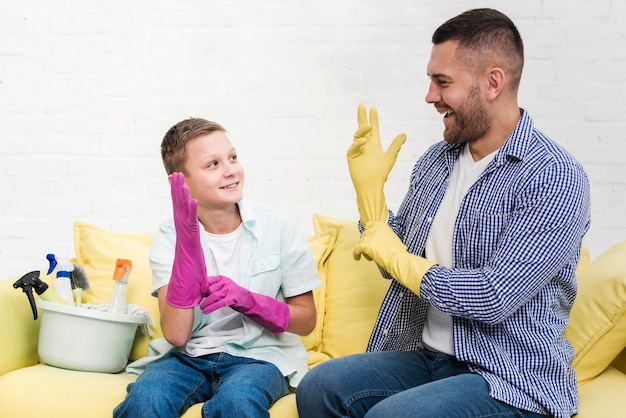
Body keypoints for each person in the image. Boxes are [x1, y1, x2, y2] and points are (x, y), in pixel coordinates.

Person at [296, 8, 590, 418]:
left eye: (442, 82)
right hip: (428, 358)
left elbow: (493, 295)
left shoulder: (553, 175)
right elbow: (391, 258)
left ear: (493, 82)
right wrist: (370, 198)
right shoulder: (437, 161)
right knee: (319, 387)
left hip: (509, 374)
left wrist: (399, 260)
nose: (430, 96)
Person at [113, 117, 321, 418]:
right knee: (146, 402)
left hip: (260, 358)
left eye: (232, 157)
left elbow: (306, 321)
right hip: (187, 357)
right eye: (213, 164)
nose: (231, 170)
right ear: (179, 181)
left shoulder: (279, 225)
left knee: (236, 404)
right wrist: (187, 245)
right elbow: (176, 335)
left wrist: (249, 301)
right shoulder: (170, 236)